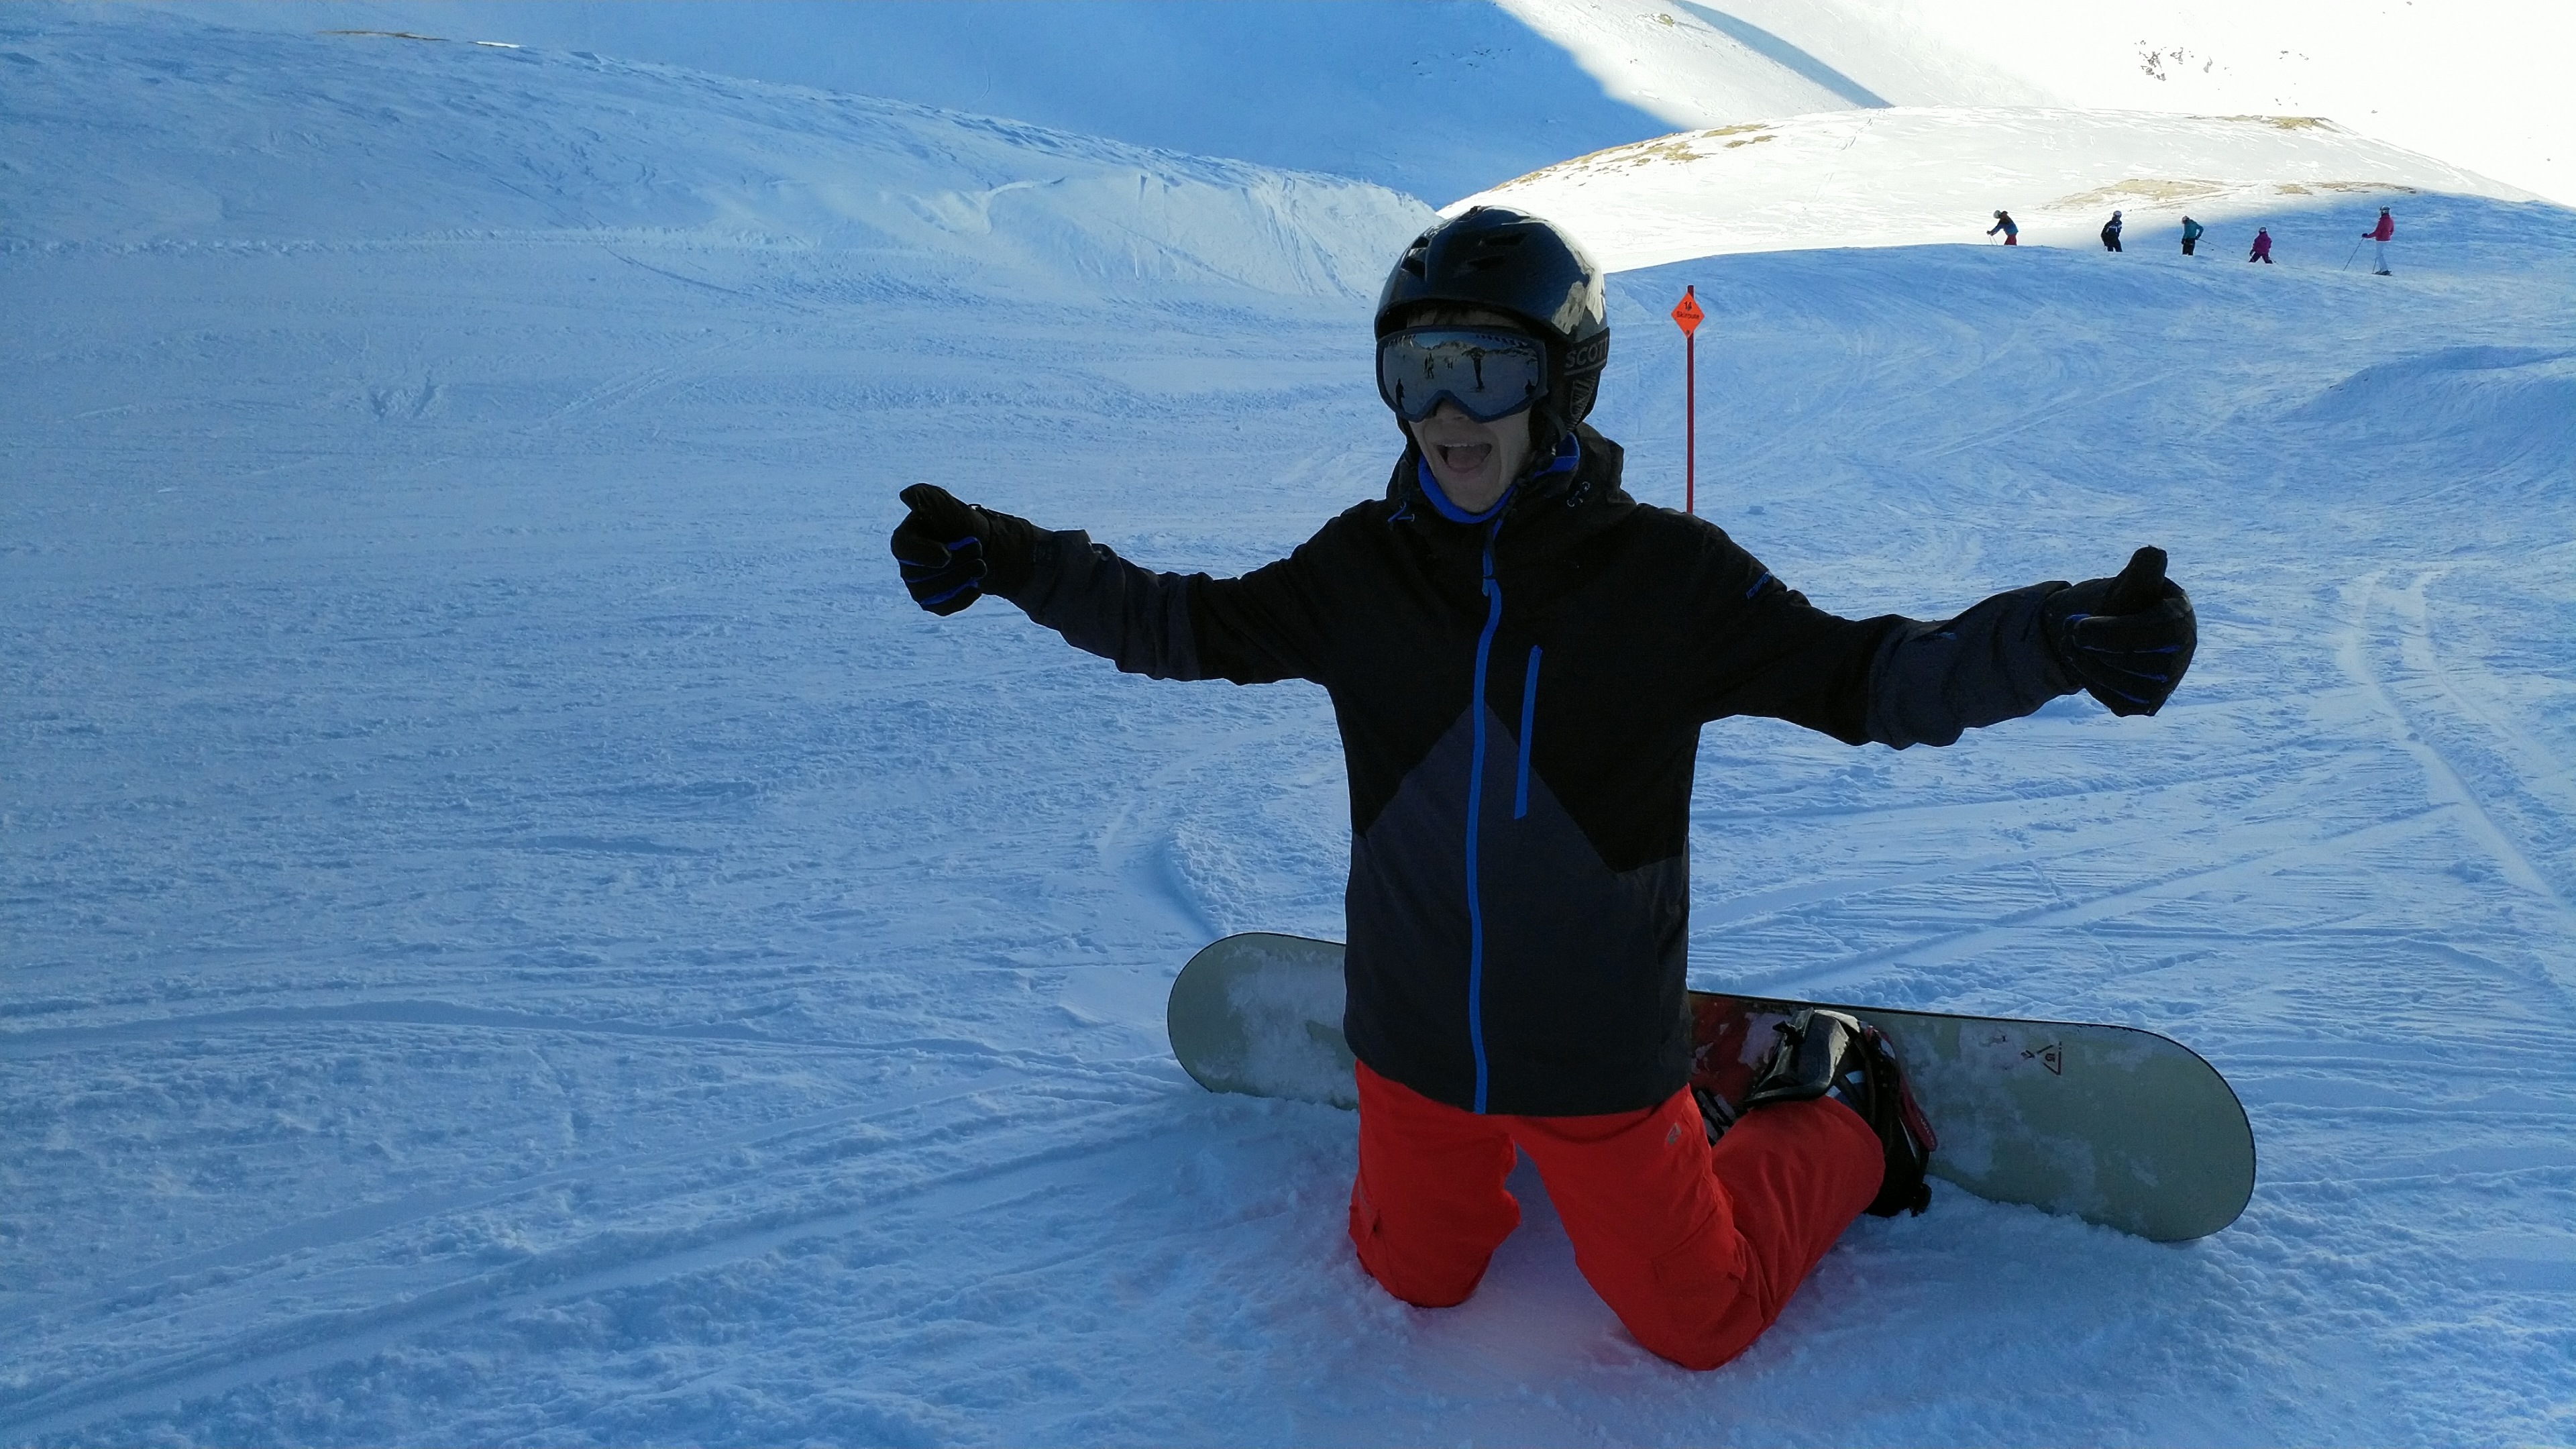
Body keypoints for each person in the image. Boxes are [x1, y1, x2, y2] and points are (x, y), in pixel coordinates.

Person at [890, 207, 2199, 1373]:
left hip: (1597, 1067)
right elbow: (1178, 624)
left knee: (1700, 1322)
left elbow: (1873, 678)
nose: (1446, 413)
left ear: (1559, 382)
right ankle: (1562, 1129)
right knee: (1413, 1279)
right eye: (1415, 371)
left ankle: (1836, 1098)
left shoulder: (1667, 579)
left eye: (1486, 369)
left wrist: (2057, 640)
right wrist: (1008, 559)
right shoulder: (1359, 571)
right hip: (1413, 1050)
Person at [2364, 206, 2395, 274]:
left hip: (2381, 240)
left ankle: (2384, 269)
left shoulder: (2382, 221)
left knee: (2379, 255)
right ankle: (2383, 269)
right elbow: (2392, 230)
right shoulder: (2391, 220)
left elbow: (2377, 231)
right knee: (2381, 254)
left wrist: (2368, 236)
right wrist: (2388, 235)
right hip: (2387, 239)